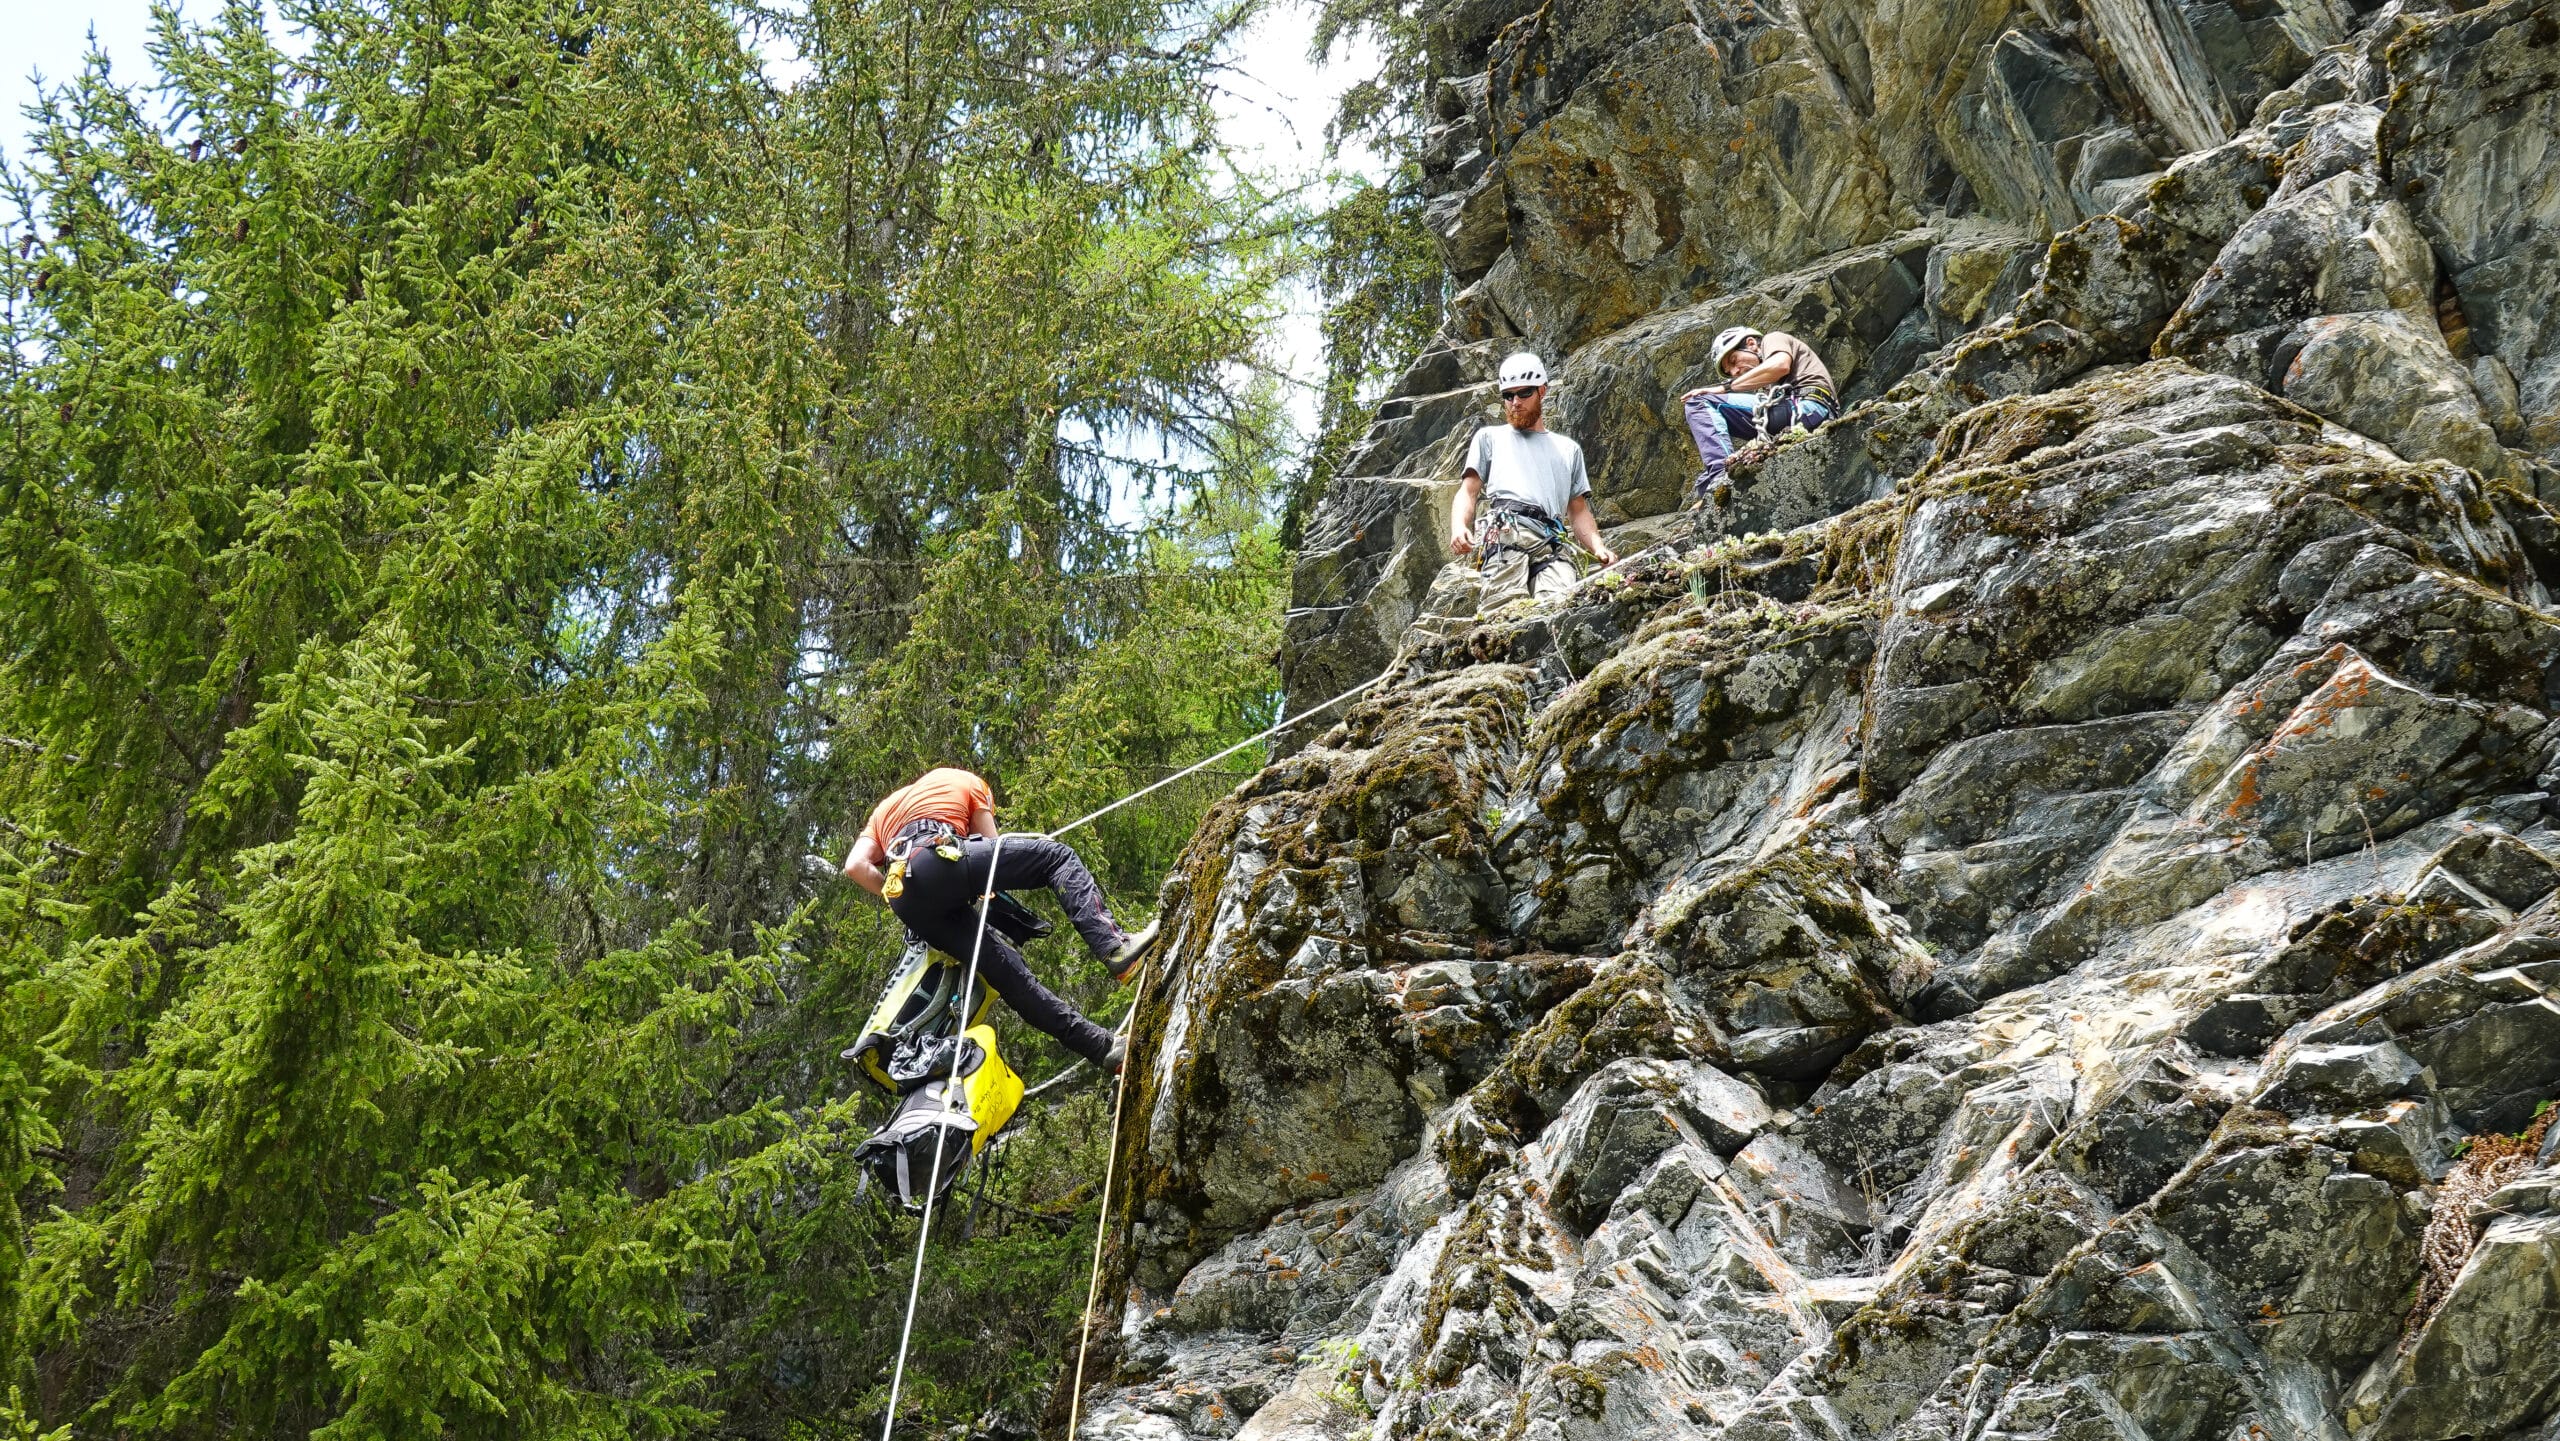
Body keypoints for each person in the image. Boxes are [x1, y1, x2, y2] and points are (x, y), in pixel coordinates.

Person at [842, 767, 1155, 1071]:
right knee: (1056, 858)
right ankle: (1116, 948)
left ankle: (1103, 1048)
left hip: (906, 899)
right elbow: (992, 851)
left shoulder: (884, 812)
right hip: (937, 854)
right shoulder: (971, 783)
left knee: (1009, 974)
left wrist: (899, 892)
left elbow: (855, 866)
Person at [1449, 351, 1617, 605]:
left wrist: (1598, 547)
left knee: (1560, 608)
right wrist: (1459, 526)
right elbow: (1468, 491)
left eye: (1524, 393)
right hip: (1508, 529)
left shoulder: (1568, 450)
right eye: (1508, 395)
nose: (1515, 402)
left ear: (1542, 391)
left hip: (1552, 538)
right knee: (1502, 610)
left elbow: (1578, 510)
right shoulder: (1489, 438)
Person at [1681, 326, 1838, 508]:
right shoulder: (1767, 387)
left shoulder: (1773, 339)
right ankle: (1714, 485)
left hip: (1806, 407)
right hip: (1800, 414)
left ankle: (1720, 480)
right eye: (1729, 371)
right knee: (1703, 483)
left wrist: (1725, 387)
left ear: (1751, 344)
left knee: (1698, 402)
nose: (1734, 371)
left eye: (1733, 360)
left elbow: (1780, 365)